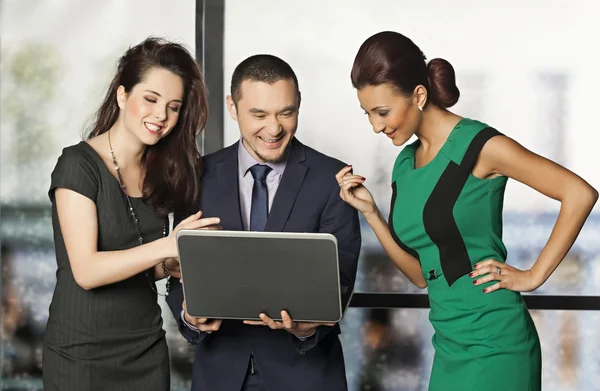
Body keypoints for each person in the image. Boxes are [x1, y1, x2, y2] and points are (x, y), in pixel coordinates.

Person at [337, 31, 598, 391]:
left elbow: (579, 193)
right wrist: (371, 214)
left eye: (382, 112)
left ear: (418, 95)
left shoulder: (480, 145)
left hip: (497, 345)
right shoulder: (404, 165)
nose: (376, 125)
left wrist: (534, 276)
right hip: (447, 346)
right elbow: (419, 274)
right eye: (368, 114)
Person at [166, 54, 361, 391]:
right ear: (232, 107)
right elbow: (178, 272)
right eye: (259, 115)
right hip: (220, 375)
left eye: (287, 113)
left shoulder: (333, 179)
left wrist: (309, 327)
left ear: (299, 105)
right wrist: (189, 317)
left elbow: (340, 282)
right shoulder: (196, 176)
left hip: (307, 375)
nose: (274, 129)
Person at [43, 37, 220, 391]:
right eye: (150, 100)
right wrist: (168, 246)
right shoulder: (78, 165)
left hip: (146, 351)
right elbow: (88, 271)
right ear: (123, 96)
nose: (161, 116)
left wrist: (171, 265)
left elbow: (140, 262)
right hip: (80, 356)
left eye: (174, 106)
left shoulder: (160, 171)